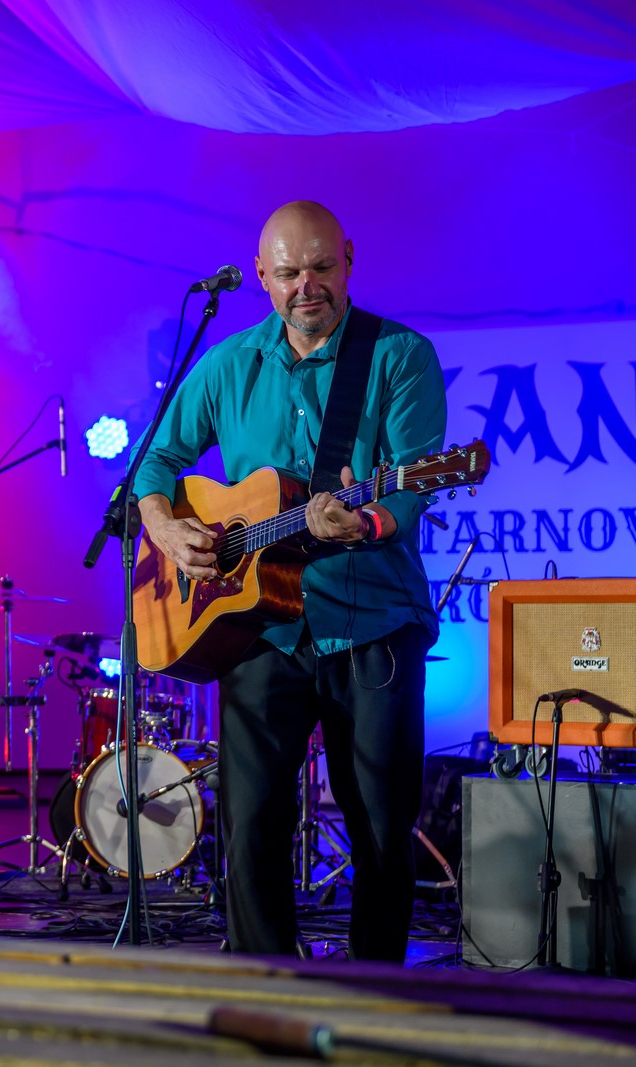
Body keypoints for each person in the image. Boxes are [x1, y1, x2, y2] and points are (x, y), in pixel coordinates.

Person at [133, 201, 446, 962]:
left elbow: (412, 487)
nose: (307, 285)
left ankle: (376, 989)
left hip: (371, 619)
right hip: (260, 626)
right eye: (288, 273)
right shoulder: (229, 363)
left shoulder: (399, 355)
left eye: (321, 267)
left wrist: (363, 523)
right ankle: (261, 982)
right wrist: (165, 527)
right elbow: (155, 461)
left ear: (349, 258)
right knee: (249, 825)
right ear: (262, 278)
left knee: (380, 825)